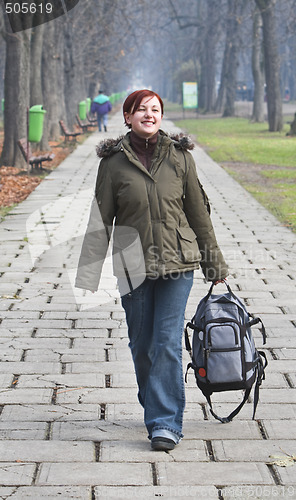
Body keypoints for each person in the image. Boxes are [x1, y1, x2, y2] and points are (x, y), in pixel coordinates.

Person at [75, 89, 228, 451]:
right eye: (141, 109)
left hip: (179, 261)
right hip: (133, 267)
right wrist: (88, 274)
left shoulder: (180, 157)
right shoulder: (112, 164)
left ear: (162, 116)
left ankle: (164, 422)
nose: (149, 114)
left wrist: (214, 264)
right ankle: (156, 401)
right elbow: (101, 220)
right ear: (127, 117)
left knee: (166, 343)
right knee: (142, 345)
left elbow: (198, 214)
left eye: (155, 109)